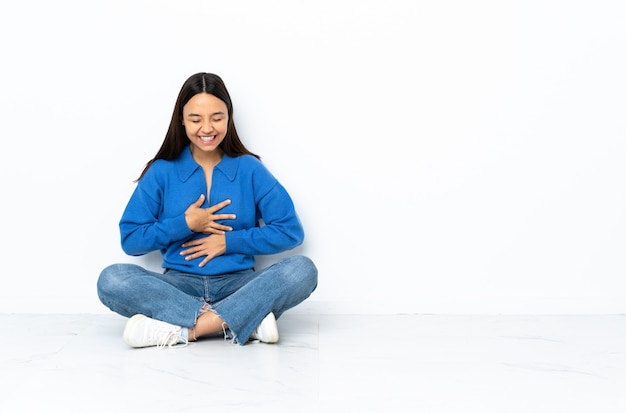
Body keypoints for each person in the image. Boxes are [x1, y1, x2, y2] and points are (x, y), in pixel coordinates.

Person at [97, 72, 318, 349]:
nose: (207, 128)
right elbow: (131, 240)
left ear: (229, 116)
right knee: (112, 279)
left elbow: (290, 232)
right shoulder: (162, 171)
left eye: (217, 117)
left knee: (302, 270)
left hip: (239, 285)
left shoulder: (249, 168)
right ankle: (243, 320)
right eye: (195, 119)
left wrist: (228, 242)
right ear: (181, 119)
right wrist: (186, 223)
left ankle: (187, 330)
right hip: (179, 286)